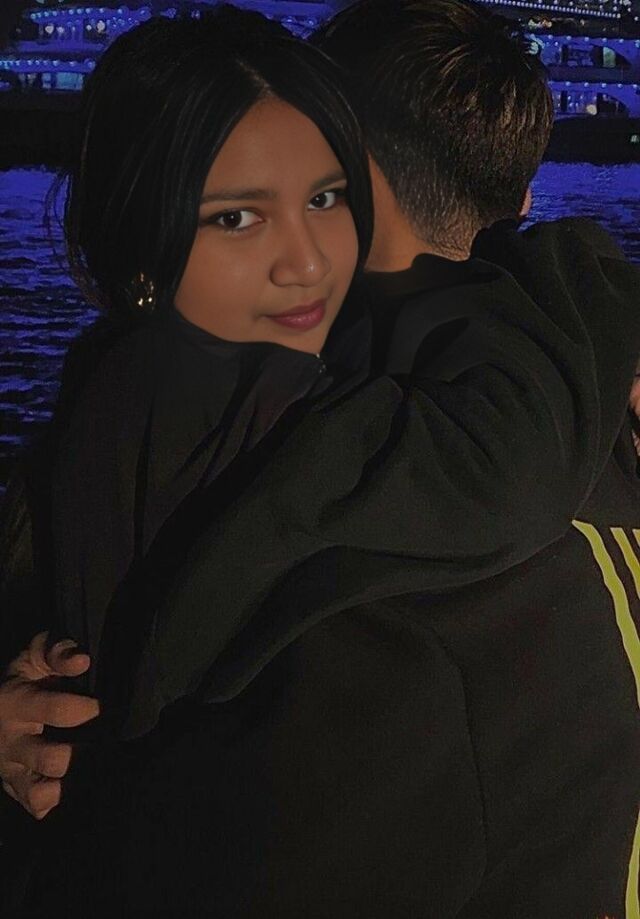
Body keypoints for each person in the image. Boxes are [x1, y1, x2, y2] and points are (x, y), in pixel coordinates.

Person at [0, 2, 639, 916]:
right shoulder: (233, 412)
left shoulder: (154, 412)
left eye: (325, 199)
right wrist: (585, 287)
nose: (302, 260)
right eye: (236, 216)